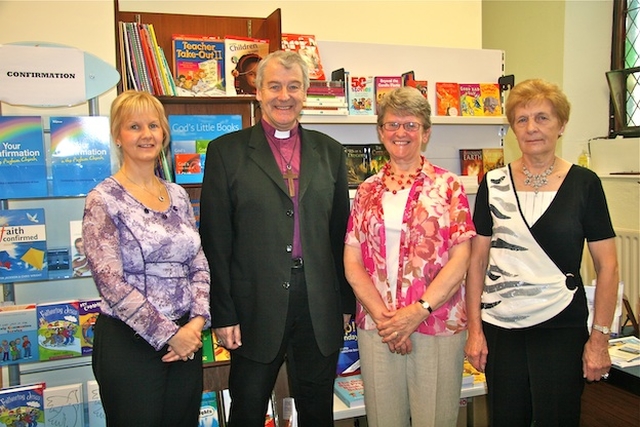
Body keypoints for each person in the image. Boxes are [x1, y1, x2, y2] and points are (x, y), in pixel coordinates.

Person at [199, 50, 354, 427]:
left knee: (318, 410)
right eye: (274, 86)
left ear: (305, 93)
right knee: (248, 407)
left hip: (318, 302)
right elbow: (215, 241)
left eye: (293, 86)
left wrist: (345, 304)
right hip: (253, 305)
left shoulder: (330, 152)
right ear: (258, 91)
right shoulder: (226, 152)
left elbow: (341, 233)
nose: (284, 96)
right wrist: (223, 312)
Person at [464, 78, 619, 427]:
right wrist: (475, 328)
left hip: (561, 326)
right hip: (501, 327)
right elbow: (477, 262)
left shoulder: (585, 184)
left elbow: (607, 267)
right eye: (522, 119)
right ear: (512, 128)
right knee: (506, 418)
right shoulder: (493, 183)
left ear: (561, 125)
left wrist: (599, 338)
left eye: (542, 118)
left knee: (557, 418)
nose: (531, 128)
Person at [344, 86, 476, 427]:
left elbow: (460, 260)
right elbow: (352, 259)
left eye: (411, 124)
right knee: (384, 419)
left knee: (435, 420)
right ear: (380, 132)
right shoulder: (366, 190)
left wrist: (416, 313)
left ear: (426, 133)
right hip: (379, 328)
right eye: (392, 124)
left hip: (437, 324)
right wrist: (387, 320)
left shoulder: (449, 186)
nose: (400, 132)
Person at [82, 90, 211, 427]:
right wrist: (170, 334)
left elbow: (197, 262)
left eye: (153, 125)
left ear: (164, 133)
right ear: (117, 136)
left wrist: (196, 322)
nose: (146, 134)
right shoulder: (103, 199)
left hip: (185, 342)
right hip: (130, 345)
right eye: (134, 126)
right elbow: (109, 282)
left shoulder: (178, 194)